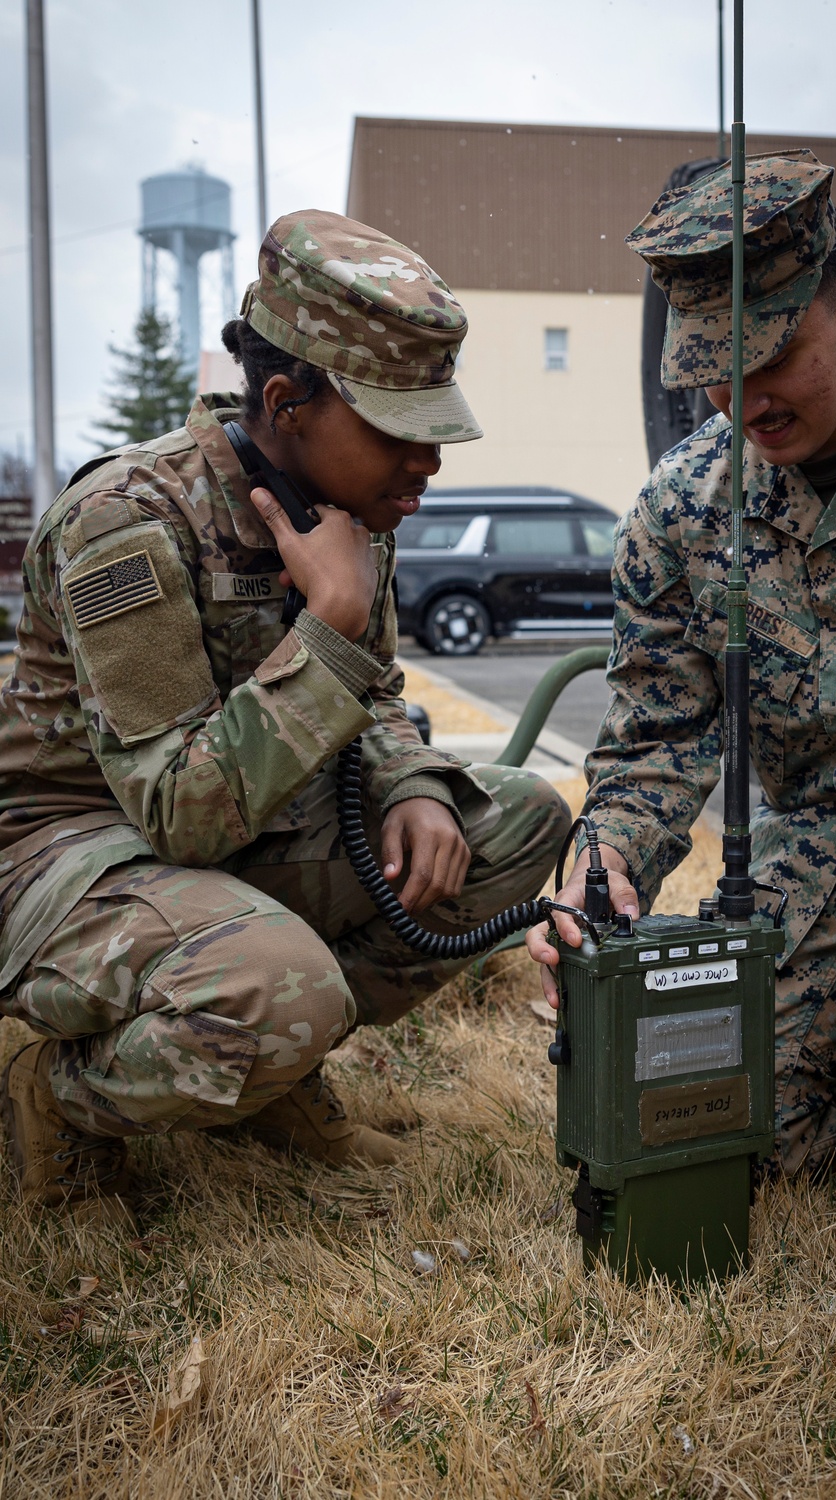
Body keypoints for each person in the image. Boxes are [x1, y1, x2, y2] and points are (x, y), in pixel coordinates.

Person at [0, 210, 570, 1219]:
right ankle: (60, 1098)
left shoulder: (351, 515)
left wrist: (410, 784)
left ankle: (264, 1074)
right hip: (71, 849)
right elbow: (174, 810)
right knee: (277, 985)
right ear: (285, 403)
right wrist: (331, 631)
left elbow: (378, 697)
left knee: (517, 819)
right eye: (399, 428)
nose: (427, 462)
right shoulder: (126, 523)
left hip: (231, 834)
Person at [528, 149, 836, 1185]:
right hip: (820, 845)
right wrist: (600, 865)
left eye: (770, 354)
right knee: (735, 1128)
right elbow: (656, 737)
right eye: (710, 367)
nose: (741, 399)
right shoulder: (683, 508)